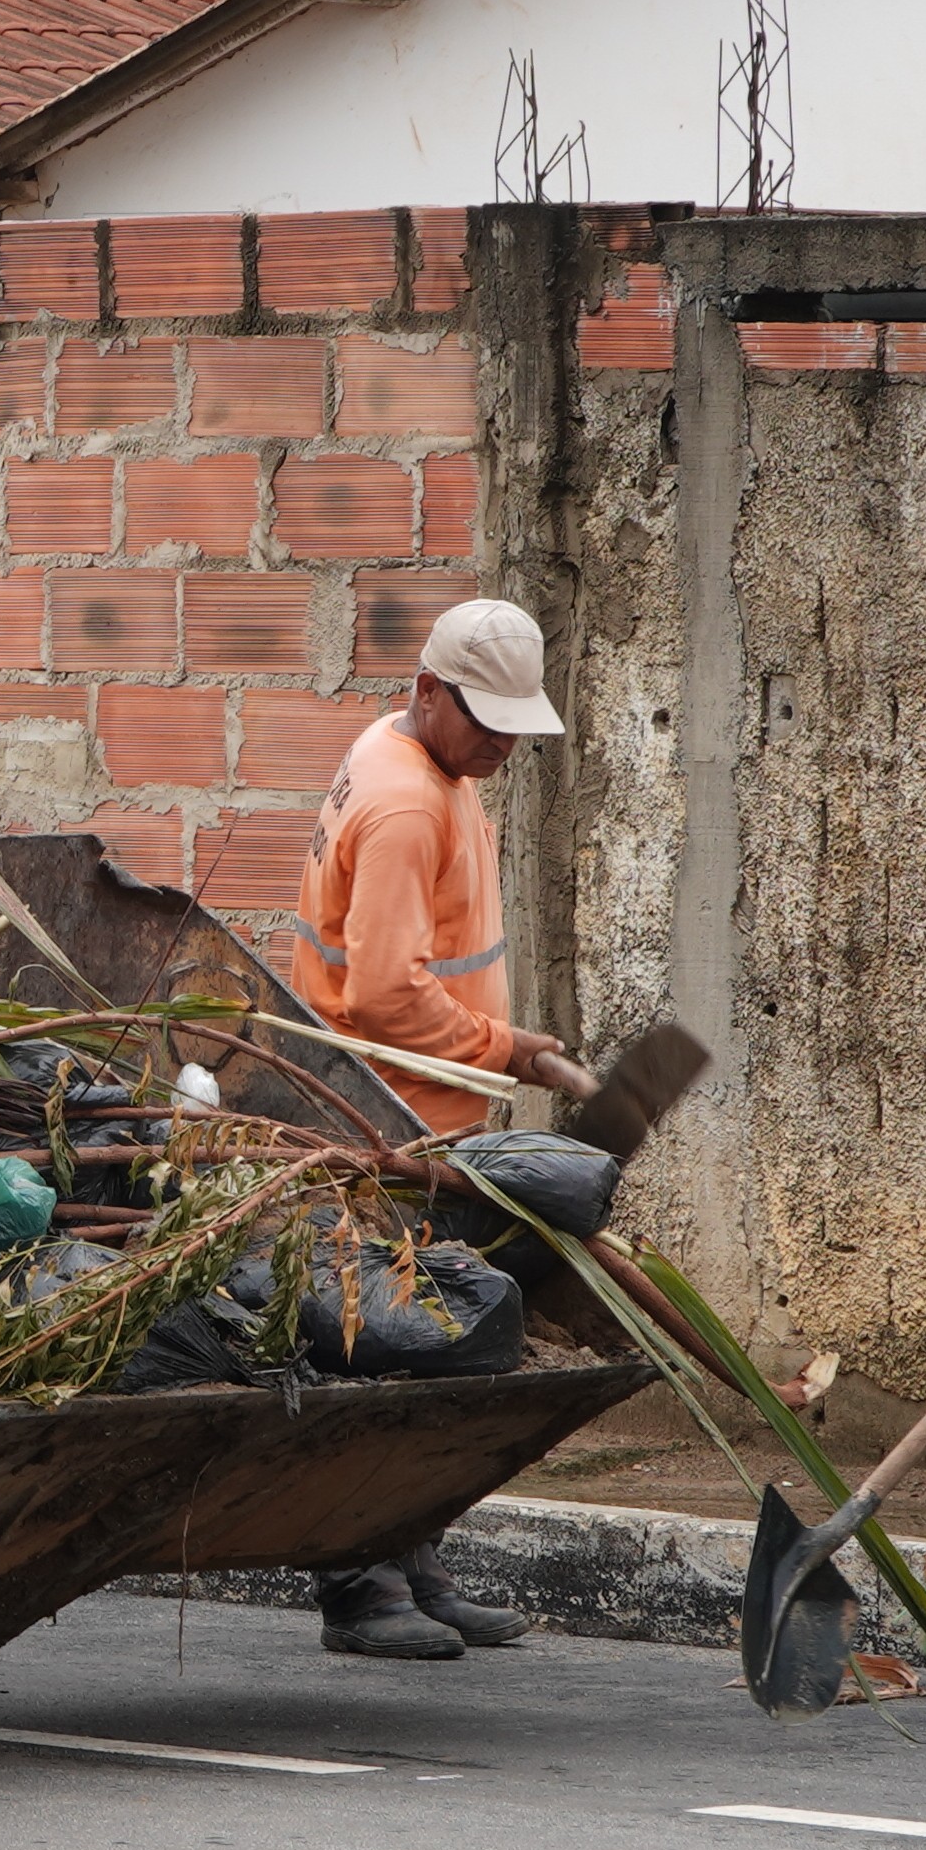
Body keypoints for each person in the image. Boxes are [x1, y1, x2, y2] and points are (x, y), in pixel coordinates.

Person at [283, 595, 603, 1662]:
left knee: (422, 1357)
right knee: (376, 1351)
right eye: (488, 721)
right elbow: (381, 995)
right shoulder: (405, 802)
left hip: (424, 1119)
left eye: (518, 723)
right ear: (426, 690)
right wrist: (511, 1049)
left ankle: (412, 1565)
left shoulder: (426, 763)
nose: (506, 743)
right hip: (382, 1118)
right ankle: (357, 1584)